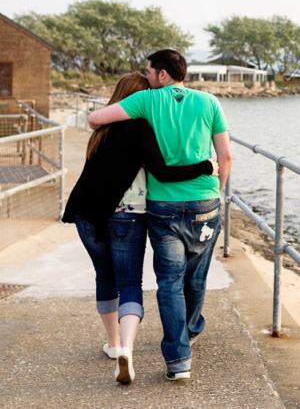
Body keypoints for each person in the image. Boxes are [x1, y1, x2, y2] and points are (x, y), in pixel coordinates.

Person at [63, 72, 218, 384]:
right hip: (126, 216)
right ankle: (127, 348)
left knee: (105, 276)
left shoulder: (100, 130)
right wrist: (206, 167)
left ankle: (113, 344)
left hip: (86, 214)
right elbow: (162, 172)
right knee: (130, 283)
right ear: (139, 98)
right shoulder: (141, 128)